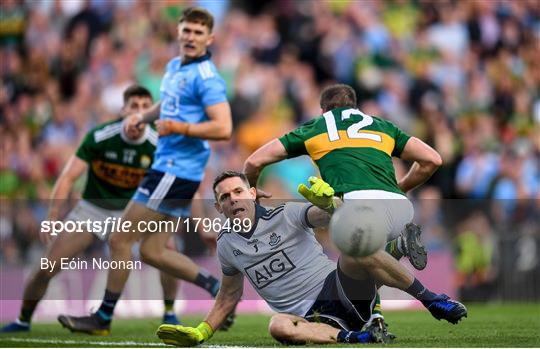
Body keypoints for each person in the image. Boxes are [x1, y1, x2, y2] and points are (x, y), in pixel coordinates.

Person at [57, 7, 233, 335]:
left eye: (198, 32)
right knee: (152, 251)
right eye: (187, 31)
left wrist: (177, 127)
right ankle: (215, 287)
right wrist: (145, 118)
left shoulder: (206, 78)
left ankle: (103, 318)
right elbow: (167, 106)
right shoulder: (173, 66)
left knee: (120, 237)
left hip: (175, 169)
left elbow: (224, 127)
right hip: (169, 168)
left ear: (210, 38)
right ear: (179, 33)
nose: (191, 37)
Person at [155, 171, 467, 346]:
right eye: (224, 197)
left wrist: (329, 204)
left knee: (355, 248)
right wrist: (201, 332)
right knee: (277, 326)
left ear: (252, 193)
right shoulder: (226, 245)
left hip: (341, 290)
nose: (232, 198)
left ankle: (431, 300)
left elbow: (332, 217)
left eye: (237, 191)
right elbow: (228, 296)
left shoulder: (286, 214)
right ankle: (358, 338)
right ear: (219, 207)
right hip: (312, 321)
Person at [243, 83, 442, 333]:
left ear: (325, 109)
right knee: (362, 269)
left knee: (350, 257)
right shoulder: (382, 125)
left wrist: (252, 192)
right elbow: (432, 159)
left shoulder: (316, 127)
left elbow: (253, 161)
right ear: (354, 106)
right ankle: (375, 311)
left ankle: (418, 288)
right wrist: (400, 188)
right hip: (401, 209)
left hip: (356, 206)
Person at [1, 85, 184, 334]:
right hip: (93, 210)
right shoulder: (100, 136)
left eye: (145, 107)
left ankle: (170, 312)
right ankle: (23, 319)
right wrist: (52, 216)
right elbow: (67, 178)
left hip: (133, 211)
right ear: (123, 110)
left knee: (167, 250)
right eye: (134, 106)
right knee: (47, 266)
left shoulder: (158, 144)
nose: (139, 112)